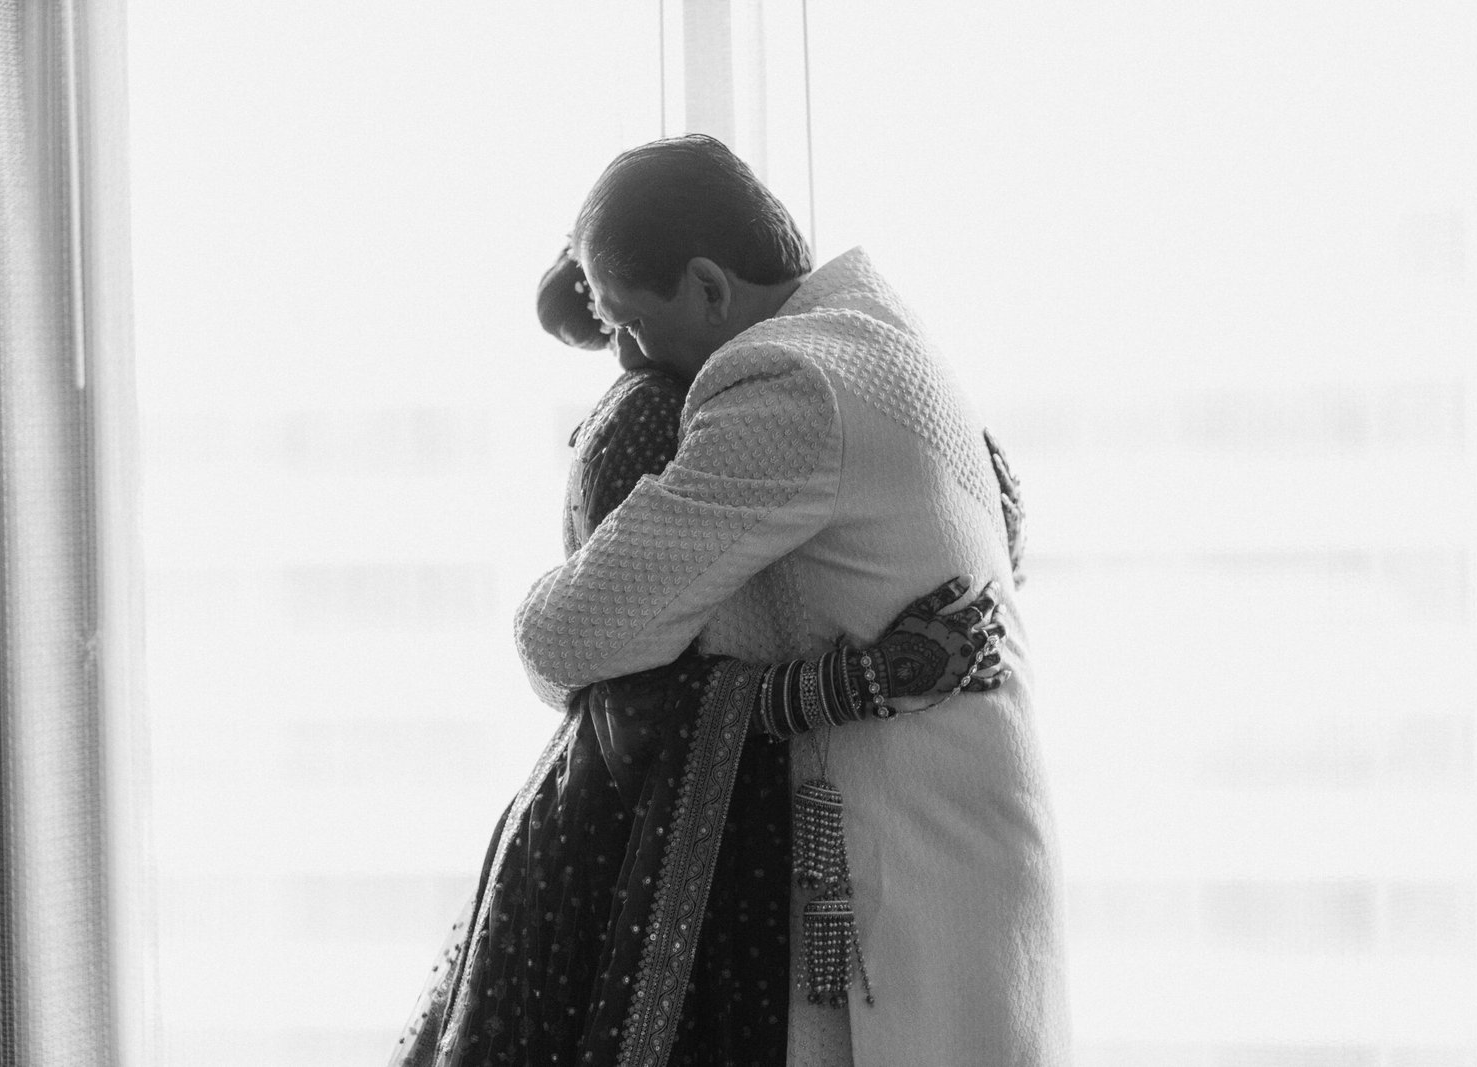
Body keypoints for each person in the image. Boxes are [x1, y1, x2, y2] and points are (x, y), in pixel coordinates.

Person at [514, 135, 1068, 1065]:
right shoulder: (879, 326)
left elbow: (564, 637)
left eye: (631, 323)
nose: (630, 359)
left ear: (708, 287)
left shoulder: (784, 384)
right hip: (974, 848)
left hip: (908, 867)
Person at [389, 249, 1011, 1067]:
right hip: (642, 833)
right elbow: (622, 686)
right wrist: (857, 681)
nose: (633, 347)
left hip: (721, 818)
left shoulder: (784, 379)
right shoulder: (654, 412)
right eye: (619, 324)